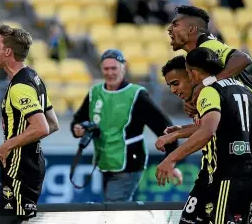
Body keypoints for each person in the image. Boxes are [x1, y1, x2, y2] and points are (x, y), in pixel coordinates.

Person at [167, 5, 252, 224]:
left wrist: (208, 83)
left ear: (192, 30)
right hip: (241, 114)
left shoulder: (209, 44)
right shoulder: (197, 60)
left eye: (176, 25)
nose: (170, 28)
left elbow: (244, 59)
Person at [156, 47, 252, 224]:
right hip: (213, 176)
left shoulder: (209, 92)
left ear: (191, 73)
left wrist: (171, 158)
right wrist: (179, 132)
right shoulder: (235, 88)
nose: (173, 90)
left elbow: (208, 130)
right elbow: (215, 124)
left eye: (176, 83)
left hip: (224, 176)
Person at [0, 24, 73, 224]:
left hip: (19, 169)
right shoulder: (33, 77)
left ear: (7, 52)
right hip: (31, 165)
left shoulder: (20, 86)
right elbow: (54, 123)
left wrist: (8, 144)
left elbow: (42, 127)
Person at [70, 49, 181, 202]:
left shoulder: (136, 94)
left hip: (130, 163)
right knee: (118, 209)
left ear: (123, 68)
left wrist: (171, 160)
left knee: (113, 209)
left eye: (114, 68)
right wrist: (77, 129)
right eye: (106, 68)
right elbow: (78, 119)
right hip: (105, 161)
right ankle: (139, 219)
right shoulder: (95, 92)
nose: (110, 72)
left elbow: (164, 127)